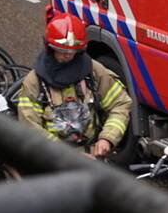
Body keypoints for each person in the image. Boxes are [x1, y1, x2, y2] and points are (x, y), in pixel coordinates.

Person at [17, 12, 131, 159]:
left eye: (72, 51)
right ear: (50, 48)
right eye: (63, 51)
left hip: (91, 158)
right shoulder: (35, 81)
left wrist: (107, 138)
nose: (68, 55)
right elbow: (29, 125)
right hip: (51, 160)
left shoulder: (94, 72)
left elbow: (120, 104)